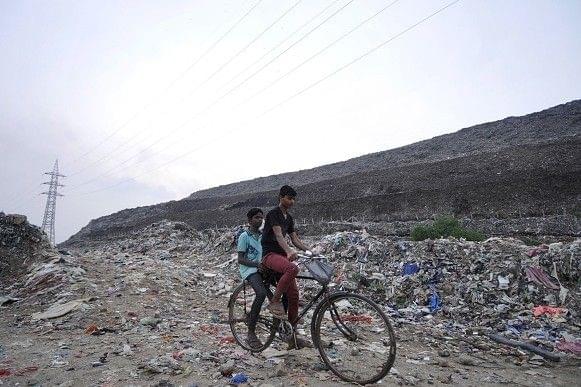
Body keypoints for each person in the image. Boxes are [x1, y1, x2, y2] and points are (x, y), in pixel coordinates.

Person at [261, 185, 312, 348]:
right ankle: (274, 301)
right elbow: (278, 235)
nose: (292, 201)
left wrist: (310, 250)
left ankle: (292, 336)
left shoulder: (288, 218)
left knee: (294, 296)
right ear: (281, 197)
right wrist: (289, 251)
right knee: (292, 268)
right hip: (270, 255)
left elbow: (294, 239)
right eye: (289, 198)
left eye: (293, 199)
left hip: (281, 256)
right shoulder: (273, 214)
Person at [236, 207, 266, 349]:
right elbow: (240, 259)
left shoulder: (262, 236)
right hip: (249, 269)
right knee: (261, 293)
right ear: (249, 220)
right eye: (256, 217)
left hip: (262, 268)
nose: (260, 220)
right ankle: (251, 332)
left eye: (261, 217)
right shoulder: (244, 236)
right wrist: (256, 264)